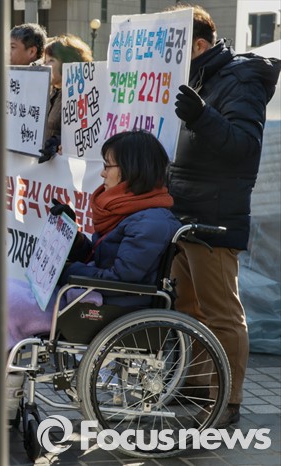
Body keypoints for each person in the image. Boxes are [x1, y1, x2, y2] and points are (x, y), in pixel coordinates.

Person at [164, 4, 281, 428]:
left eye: (175, 46)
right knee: (188, 306)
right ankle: (198, 385)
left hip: (214, 214)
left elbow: (244, 148)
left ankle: (227, 400)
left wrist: (201, 115)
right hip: (182, 209)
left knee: (221, 311)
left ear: (199, 44)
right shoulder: (198, 75)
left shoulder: (241, 79)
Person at [8, 130, 181, 348]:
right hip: (93, 296)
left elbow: (120, 280)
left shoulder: (150, 223)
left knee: (8, 302)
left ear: (132, 169)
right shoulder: (132, 211)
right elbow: (99, 257)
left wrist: (68, 271)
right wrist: (73, 238)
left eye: (108, 166)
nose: (102, 174)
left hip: (108, 307)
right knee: (6, 289)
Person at [39, 34, 93, 162]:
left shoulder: (80, 96)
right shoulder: (48, 93)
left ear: (66, 62)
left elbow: (81, 134)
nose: (45, 66)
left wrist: (58, 142)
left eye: (51, 61)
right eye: (45, 61)